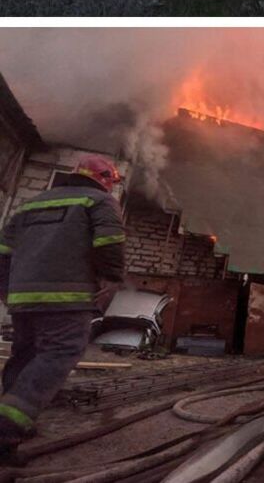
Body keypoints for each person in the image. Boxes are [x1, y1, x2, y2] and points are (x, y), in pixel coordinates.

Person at [0, 155, 126, 464]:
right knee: (58, 353)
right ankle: (6, 429)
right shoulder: (99, 201)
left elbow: (3, 250)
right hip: (67, 298)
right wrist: (111, 280)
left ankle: (14, 417)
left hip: (22, 298)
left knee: (26, 354)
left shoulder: (33, 202)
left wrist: (7, 290)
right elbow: (110, 242)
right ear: (106, 178)